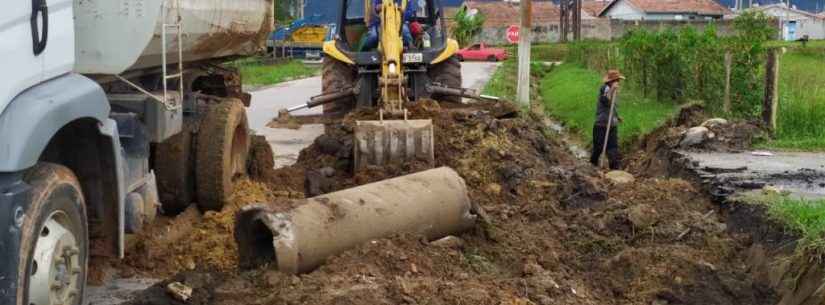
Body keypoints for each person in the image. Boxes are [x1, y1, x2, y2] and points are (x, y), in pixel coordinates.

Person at [590, 69, 625, 170]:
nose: (619, 83)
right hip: (601, 125)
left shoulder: (614, 91)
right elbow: (605, 100)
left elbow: (612, 106)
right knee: (598, 149)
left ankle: (614, 170)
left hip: (612, 125)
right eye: (617, 80)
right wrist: (612, 89)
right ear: (611, 81)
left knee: (613, 149)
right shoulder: (604, 89)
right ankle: (592, 168)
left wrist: (617, 116)